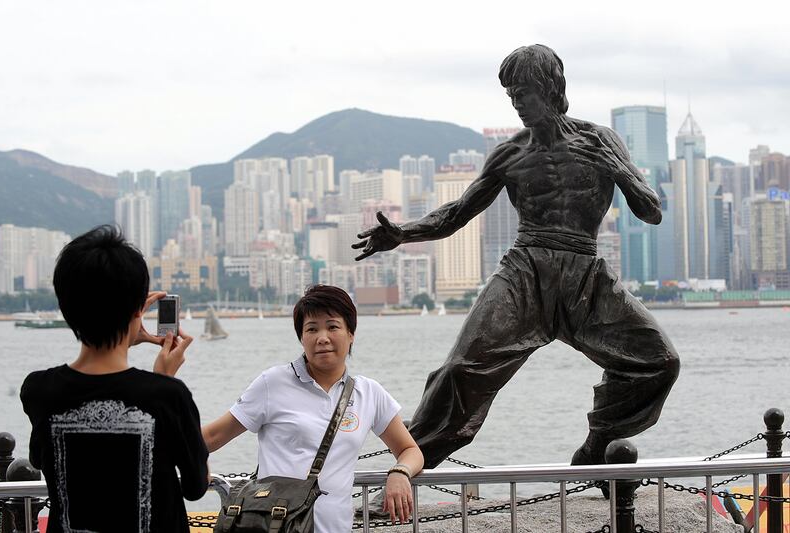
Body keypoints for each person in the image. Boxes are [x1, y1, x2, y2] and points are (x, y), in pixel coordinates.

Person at [352, 44, 680, 470]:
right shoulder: (510, 155)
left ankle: (597, 446)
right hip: (524, 273)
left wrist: (617, 168)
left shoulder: (601, 140)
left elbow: (651, 211)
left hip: (584, 274)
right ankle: (406, 470)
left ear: (550, 87)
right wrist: (403, 233)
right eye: (511, 95)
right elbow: (457, 213)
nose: (518, 103)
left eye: (523, 91)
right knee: (458, 372)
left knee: (658, 362)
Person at [20, 225, 208, 533]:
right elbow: (195, 486)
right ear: (138, 309)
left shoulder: (39, 390)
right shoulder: (167, 396)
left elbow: (41, 460)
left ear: (66, 309)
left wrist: (124, 331)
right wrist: (162, 378)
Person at [202, 284, 423, 531]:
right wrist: (196, 459)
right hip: (275, 526)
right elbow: (211, 436)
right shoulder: (272, 383)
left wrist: (399, 473)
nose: (322, 338)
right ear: (302, 338)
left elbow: (410, 449)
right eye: (312, 329)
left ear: (351, 333)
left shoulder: (369, 393)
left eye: (333, 326)